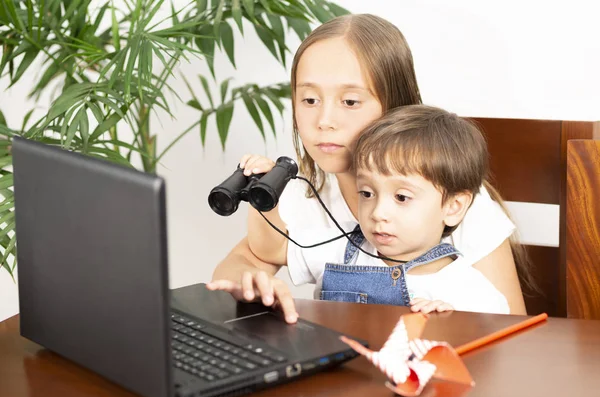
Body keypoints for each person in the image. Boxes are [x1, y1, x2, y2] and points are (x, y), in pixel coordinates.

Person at [207, 14, 528, 322]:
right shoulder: (302, 195)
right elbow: (250, 258)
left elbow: (512, 330)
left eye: (350, 102)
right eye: (309, 100)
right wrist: (249, 286)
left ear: (395, 106)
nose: (325, 122)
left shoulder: (447, 196)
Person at [288, 104, 510, 314]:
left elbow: (498, 344)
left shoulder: (471, 293)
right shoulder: (337, 246)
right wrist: (267, 187)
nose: (377, 213)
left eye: (402, 197)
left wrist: (455, 327)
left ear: (453, 207)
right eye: (367, 193)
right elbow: (267, 249)